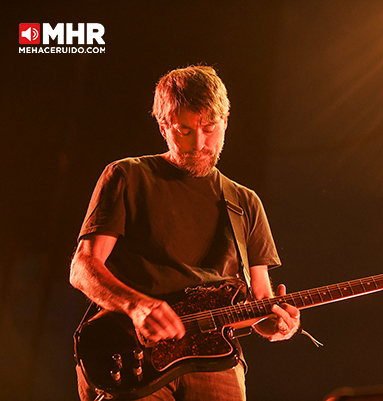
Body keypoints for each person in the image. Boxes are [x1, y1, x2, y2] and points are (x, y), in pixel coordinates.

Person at [70, 65, 300, 401]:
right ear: (164, 127)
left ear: (226, 121)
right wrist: (136, 306)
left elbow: (260, 303)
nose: (200, 144)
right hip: (134, 355)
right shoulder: (128, 176)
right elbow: (83, 267)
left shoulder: (245, 202)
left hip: (215, 364)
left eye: (210, 129)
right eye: (185, 130)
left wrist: (276, 325)